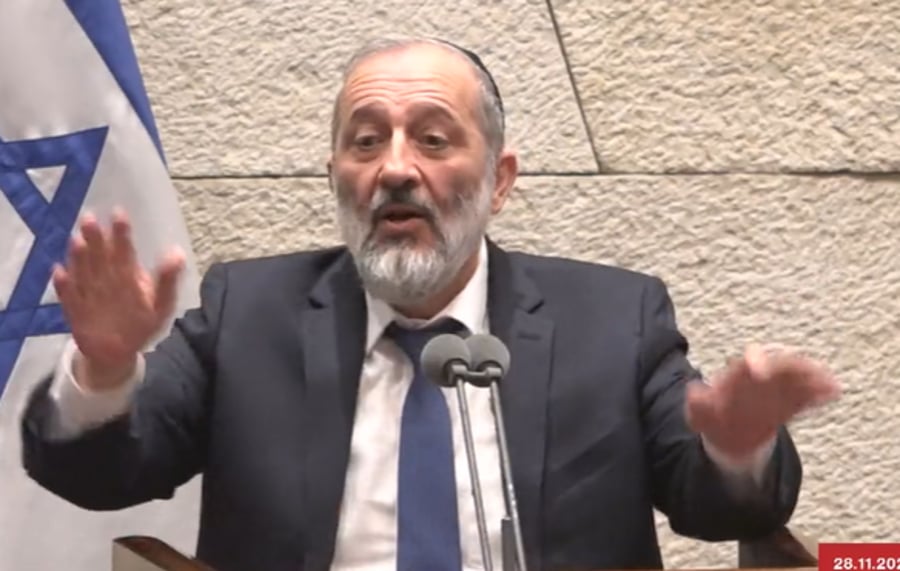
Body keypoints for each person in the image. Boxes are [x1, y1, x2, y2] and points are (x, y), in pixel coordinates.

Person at [21, 37, 840, 571]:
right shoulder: (248, 312)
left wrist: (736, 445)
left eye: (434, 138)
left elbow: (719, 507)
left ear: (500, 181)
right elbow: (100, 475)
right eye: (365, 140)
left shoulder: (614, 319)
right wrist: (104, 370)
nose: (395, 168)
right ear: (337, 176)